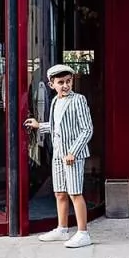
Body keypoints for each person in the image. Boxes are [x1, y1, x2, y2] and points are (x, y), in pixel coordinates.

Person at [24, 64, 94, 248]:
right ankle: (62, 229)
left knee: (75, 193)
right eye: (61, 82)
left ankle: (83, 233)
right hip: (58, 154)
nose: (65, 85)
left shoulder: (78, 100)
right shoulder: (55, 101)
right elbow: (57, 127)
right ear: (51, 84)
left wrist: (73, 152)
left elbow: (87, 129)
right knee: (60, 193)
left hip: (72, 155)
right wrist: (40, 125)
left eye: (68, 81)